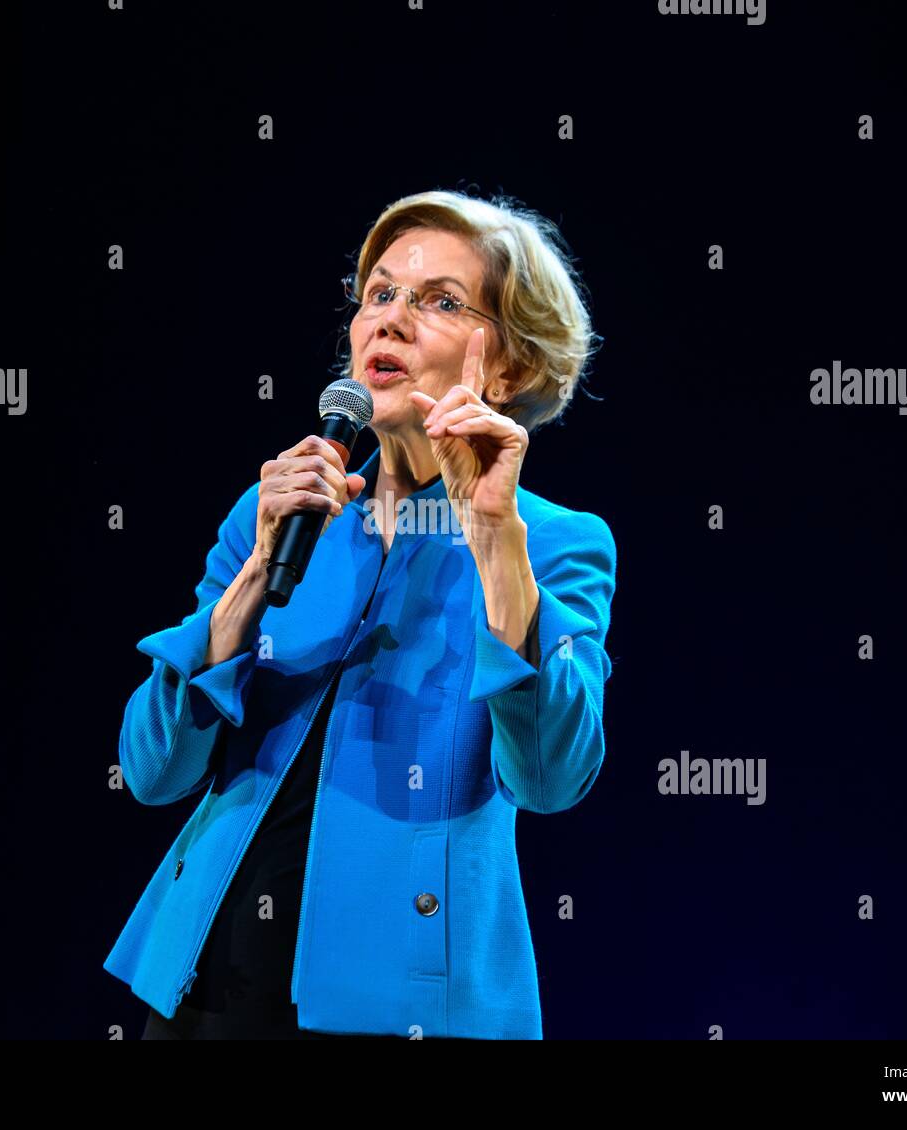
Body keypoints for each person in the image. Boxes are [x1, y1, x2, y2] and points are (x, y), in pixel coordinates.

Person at [105, 189, 617, 1039]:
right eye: (379, 294)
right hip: (209, 984)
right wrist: (252, 579)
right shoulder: (277, 510)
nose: (390, 320)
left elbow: (552, 777)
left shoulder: (556, 542)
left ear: (508, 369)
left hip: (406, 1002)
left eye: (439, 302)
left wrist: (494, 537)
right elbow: (152, 772)